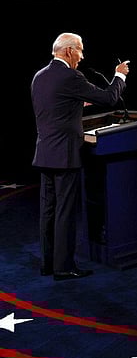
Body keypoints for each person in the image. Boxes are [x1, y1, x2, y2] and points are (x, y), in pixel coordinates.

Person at [31, 32, 130, 280]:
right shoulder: (71, 76)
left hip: (45, 153)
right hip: (64, 155)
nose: (82, 56)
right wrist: (119, 75)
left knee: (48, 212)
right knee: (64, 212)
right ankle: (64, 268)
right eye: (80, 50)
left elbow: (53, 107)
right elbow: (109, 98)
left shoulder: (40, 76)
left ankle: (48, 264)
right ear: (69, 51)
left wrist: (77, 103)